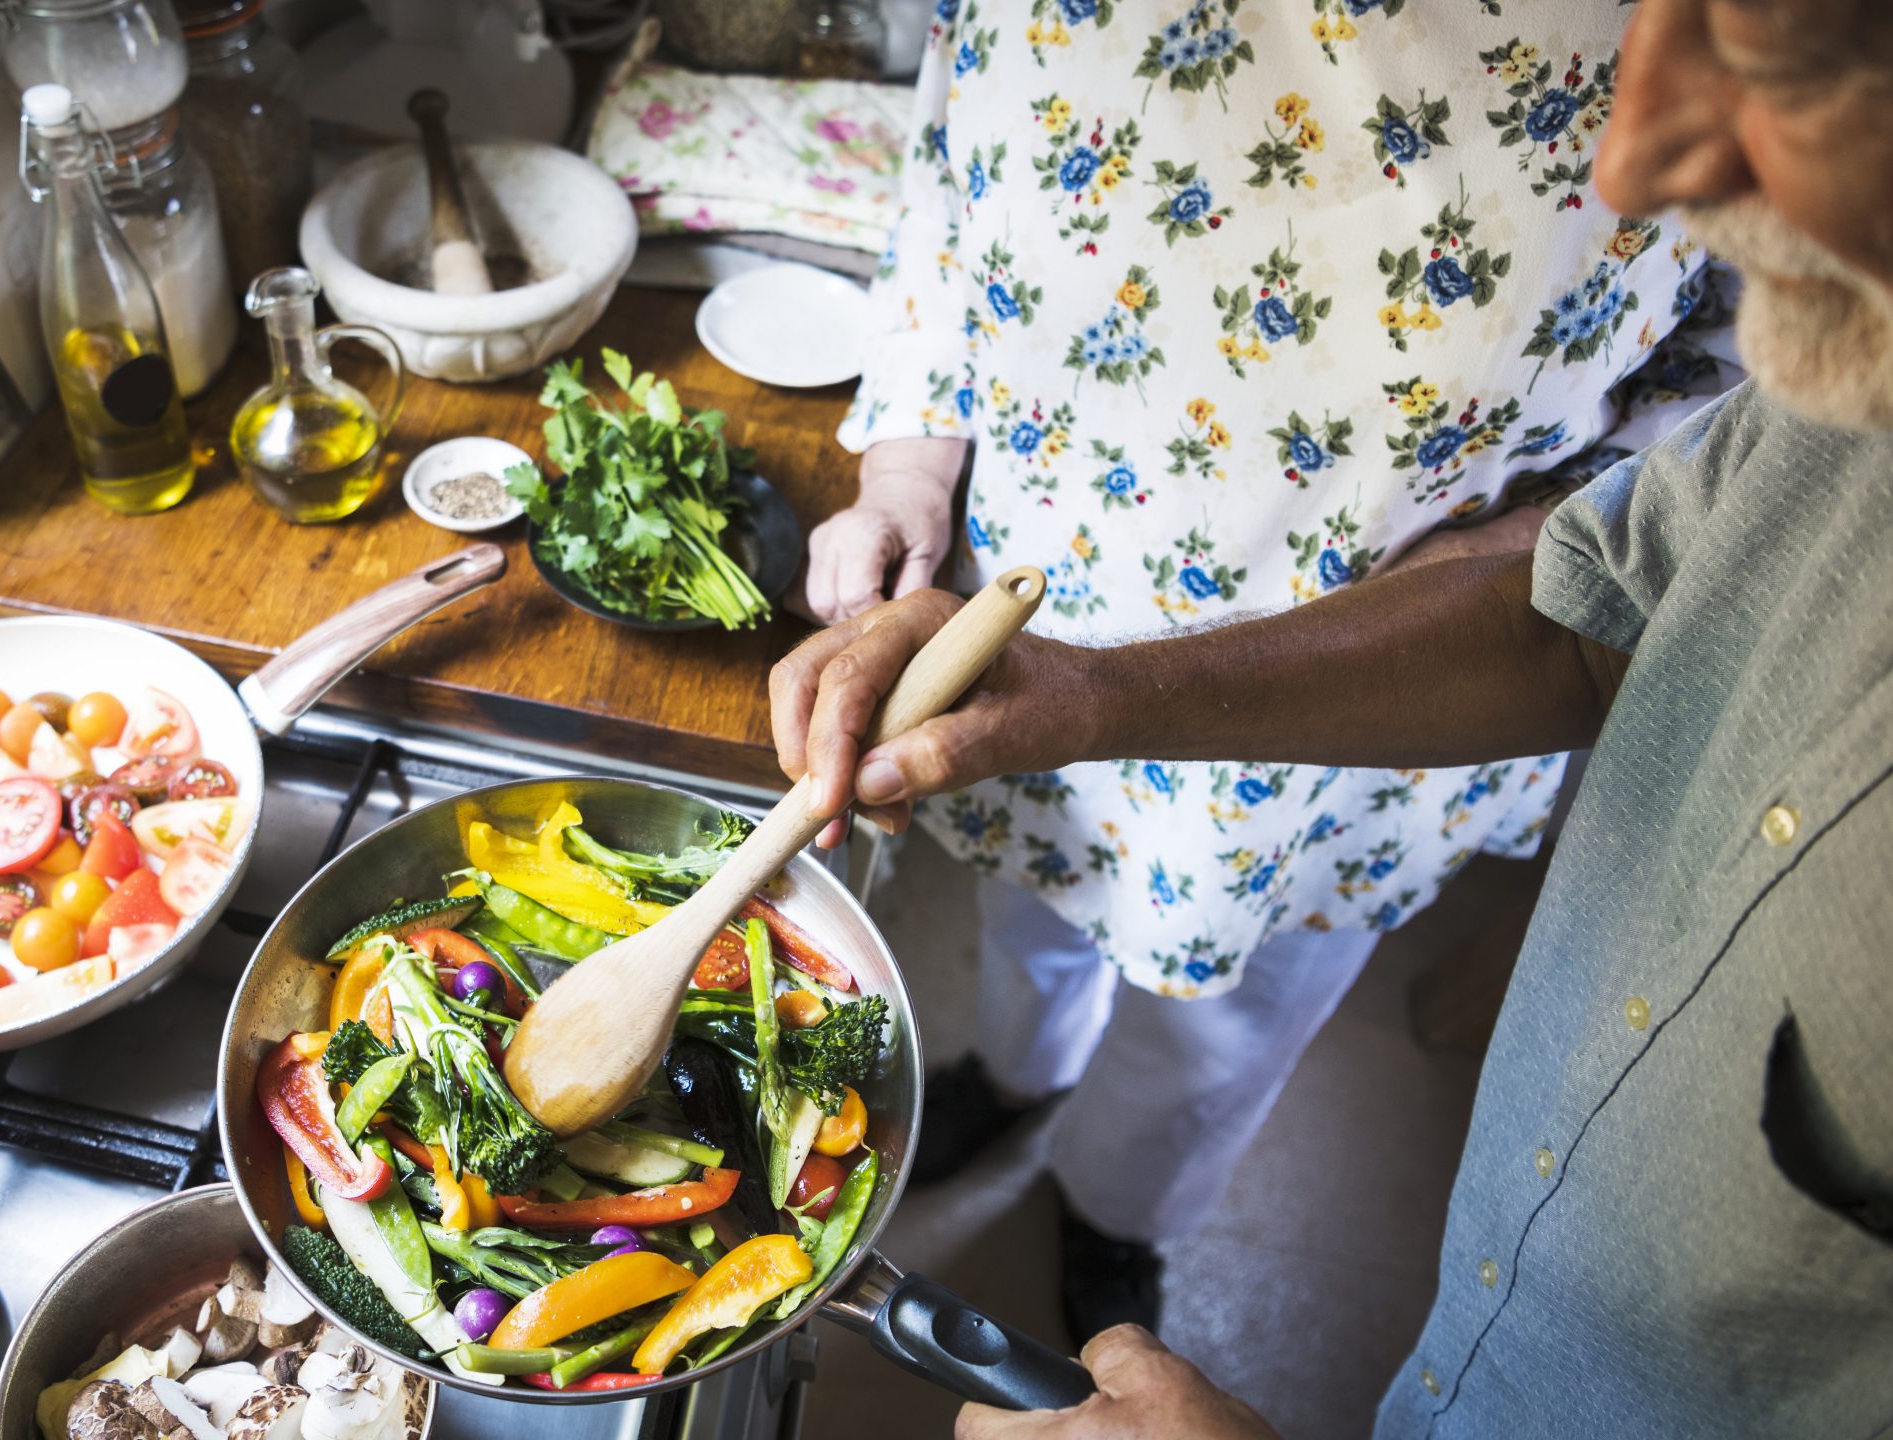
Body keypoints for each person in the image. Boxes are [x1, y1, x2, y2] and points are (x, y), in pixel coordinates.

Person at [776, 0, 1893, 1433]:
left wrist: (1536, 529)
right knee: (1031, 915)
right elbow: (957, 138)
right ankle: (1017, 1070)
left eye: (1786, 55)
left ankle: (1119, 1203)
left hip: (1359, 718)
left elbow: (1714, 391)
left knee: (1228, 1024)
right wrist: (916, 461)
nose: (1631, 158)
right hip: (1043, 611)